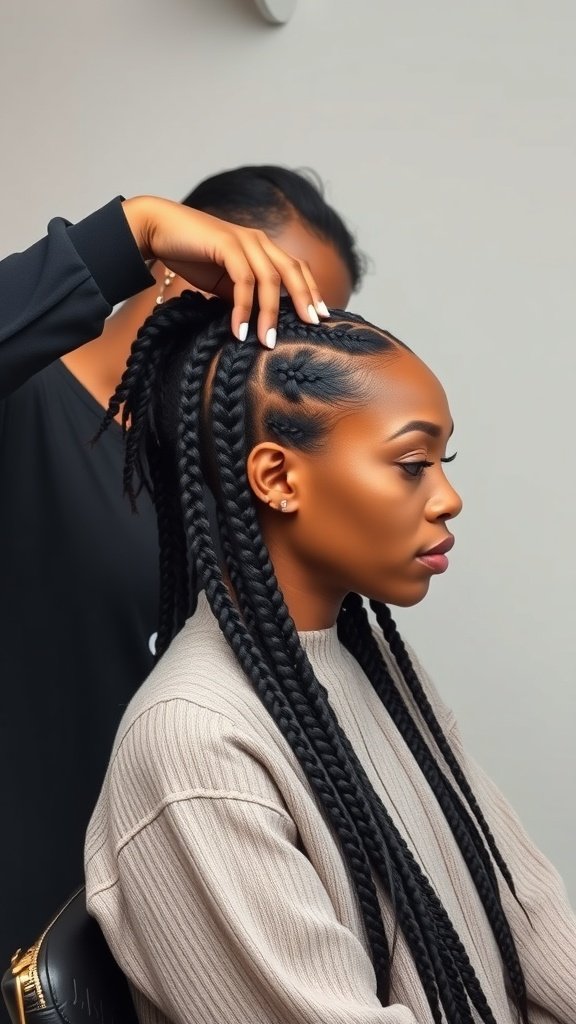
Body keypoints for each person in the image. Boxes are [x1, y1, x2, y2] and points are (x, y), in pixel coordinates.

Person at [85, 294, 576, 1024]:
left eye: (445, 460)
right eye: (412, 463)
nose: (449, 498)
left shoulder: (367, 656)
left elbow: (524, 913)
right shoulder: (194, 744)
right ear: (278, 478)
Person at [0, 168, 360, 972]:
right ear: (186, 266)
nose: (282, 349)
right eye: (269, 298)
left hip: (133, 937)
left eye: (309, 332)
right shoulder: (25, 406)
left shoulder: (224, 491)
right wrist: (130, 231)